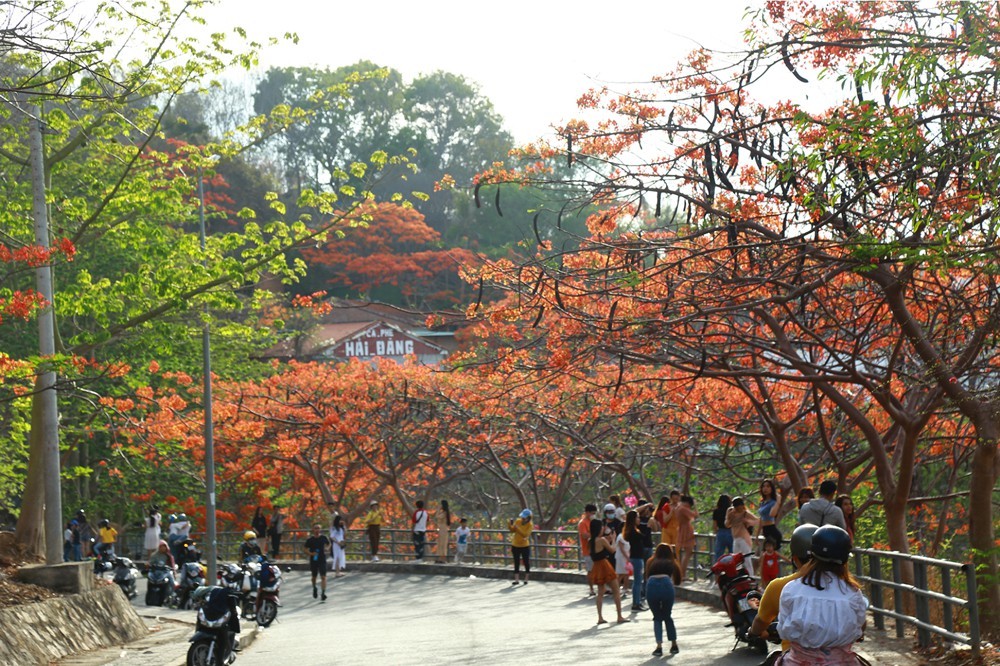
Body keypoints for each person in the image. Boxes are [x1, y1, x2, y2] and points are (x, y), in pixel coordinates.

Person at [775, 526, 867, 664]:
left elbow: (783, 628)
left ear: (812, 554)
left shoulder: (791, 589)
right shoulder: (853, 593)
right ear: (845, 560)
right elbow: (860, 625)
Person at [749, 523, 820, 655]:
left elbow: (761, 620)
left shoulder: (780, 587)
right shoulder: (846, 587)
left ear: (795, 559)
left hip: (795, 657)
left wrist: (752, 632)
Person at [587, 518, 629, 625]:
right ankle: (619, 616)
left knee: (600, 592)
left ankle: (600, 617)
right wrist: (613, 539)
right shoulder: (601, 540)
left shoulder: (590, 541)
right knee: (616, 590)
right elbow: (612, 550)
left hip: (596, 566)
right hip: (605, 565)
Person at [645, 543, 682, 656]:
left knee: (657, 617)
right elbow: (678, 581)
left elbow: (646, 577)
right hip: (666, 583)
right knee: (667, 616)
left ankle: (659, 646)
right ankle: (674, 644)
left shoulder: (650, 561)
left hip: (651, 584)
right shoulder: (672, 562)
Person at [725, 496, 759, 576]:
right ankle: (738, 576)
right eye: (735, 506)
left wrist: (748, 521)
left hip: (744, 538)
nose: (736, 508)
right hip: (736, 539)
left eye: (738, 506)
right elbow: (727, 525)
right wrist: (729, 517)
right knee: (736, 560)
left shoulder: (745, 513)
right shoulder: (731, 512)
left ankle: (751, 577)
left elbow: (758, 520)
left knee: (747, 559)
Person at [624, 509, 647, 611]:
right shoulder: (633, 532)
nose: (639, 519)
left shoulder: (630, 530)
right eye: (637, 517)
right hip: (637, 558)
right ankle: (636, 603)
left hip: (635, 557)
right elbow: (644, 537)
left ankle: (636, 602)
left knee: (637, 581)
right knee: (638, 581)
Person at [304, 523, 331, 601]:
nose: (317, 530)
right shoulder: (310, 540)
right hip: (314, 560)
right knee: (314, 577)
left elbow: (329, 544)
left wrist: (327, 548)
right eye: (316, 528)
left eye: (319, 528)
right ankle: (314, 588)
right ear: (313, 529)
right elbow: (305, 549)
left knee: (323, 576)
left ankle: (323, 593)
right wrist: (311, 554)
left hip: (322, 559)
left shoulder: (323, 537)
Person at [675, 495, 698, 581]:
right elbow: (695, 515)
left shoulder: (678, 508)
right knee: (688, 553)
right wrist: (695, 506)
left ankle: (681, 573)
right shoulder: (683, 508)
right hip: (686, 530)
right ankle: (683, 574)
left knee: (685, 554)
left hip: (682, 529)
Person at [508, 508, 533, 585]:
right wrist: (510, 524)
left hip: (525, 545)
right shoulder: (518, 521)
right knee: (516, 562)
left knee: (526, 561)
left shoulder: (530, 525)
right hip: (515, 545)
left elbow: (525, 534)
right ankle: (516, 580)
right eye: (522, 516)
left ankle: (526, 578)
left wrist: (517, 528)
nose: (523, 518)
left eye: (524, 517)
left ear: (529, 517)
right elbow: (512, 530)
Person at [578, 504, 597, 595]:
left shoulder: (594, 522)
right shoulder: (583, 523)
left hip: (596, 549)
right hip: (588, 550)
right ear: (587, 512)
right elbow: (585, 535)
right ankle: (591, 588)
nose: (593, 515)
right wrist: (595, 534)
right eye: (592, 513)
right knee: (590, 570)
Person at [759, 479, 783, 549]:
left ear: (772, 488)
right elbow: (761, 519)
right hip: (765, 530)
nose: (765, 488)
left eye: (768, 486)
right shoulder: (762, 503)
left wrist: (778, 502)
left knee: (772, 556)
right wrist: (757, 535)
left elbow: (772, 514)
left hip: (772, 531)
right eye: (763, 486)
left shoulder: (773, 502)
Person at [712, 494, 733, 563]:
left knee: (718, 554)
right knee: (732, 553)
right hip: (731, 532)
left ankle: (718, 571)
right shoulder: (731, 511)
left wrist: (716, 531)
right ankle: (732, 571)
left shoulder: (716, 511)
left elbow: (714, 525)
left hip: (721, 532)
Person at [615, 515, 632, 599]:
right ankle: (616, 589)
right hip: (621, 557)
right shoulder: (620, 536)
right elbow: (621, 548)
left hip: (626, 557)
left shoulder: (627, 536)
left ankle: (625, 589)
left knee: (626, 574)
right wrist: (627, 557)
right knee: (621, 574)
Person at [435, 499, 451, 563]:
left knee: (442, 544)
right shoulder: (444, 512)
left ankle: (442, 559)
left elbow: (437, 516)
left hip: (443, 530)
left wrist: (438, 509)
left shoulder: (444, 513)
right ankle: (440, 558)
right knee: (440, 544)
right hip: (442, 529)